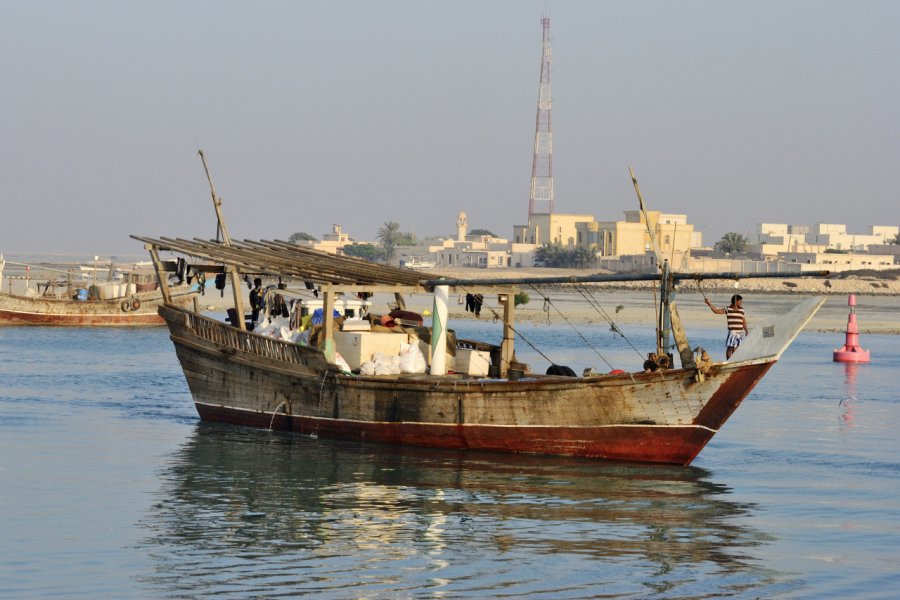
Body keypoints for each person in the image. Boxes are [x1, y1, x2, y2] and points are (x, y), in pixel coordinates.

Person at [705, 294, 748, 359]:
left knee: (736, 348)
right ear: (735, 301)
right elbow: (716, 311)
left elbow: (743, 321)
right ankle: (728, 361)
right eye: (740, 301)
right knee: (730, 347)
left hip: (739, 332)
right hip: (732, 332)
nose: (741, 302)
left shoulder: (741, 310)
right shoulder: (728, 309)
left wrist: (746, 330)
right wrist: (709, 303)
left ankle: (733, 360)